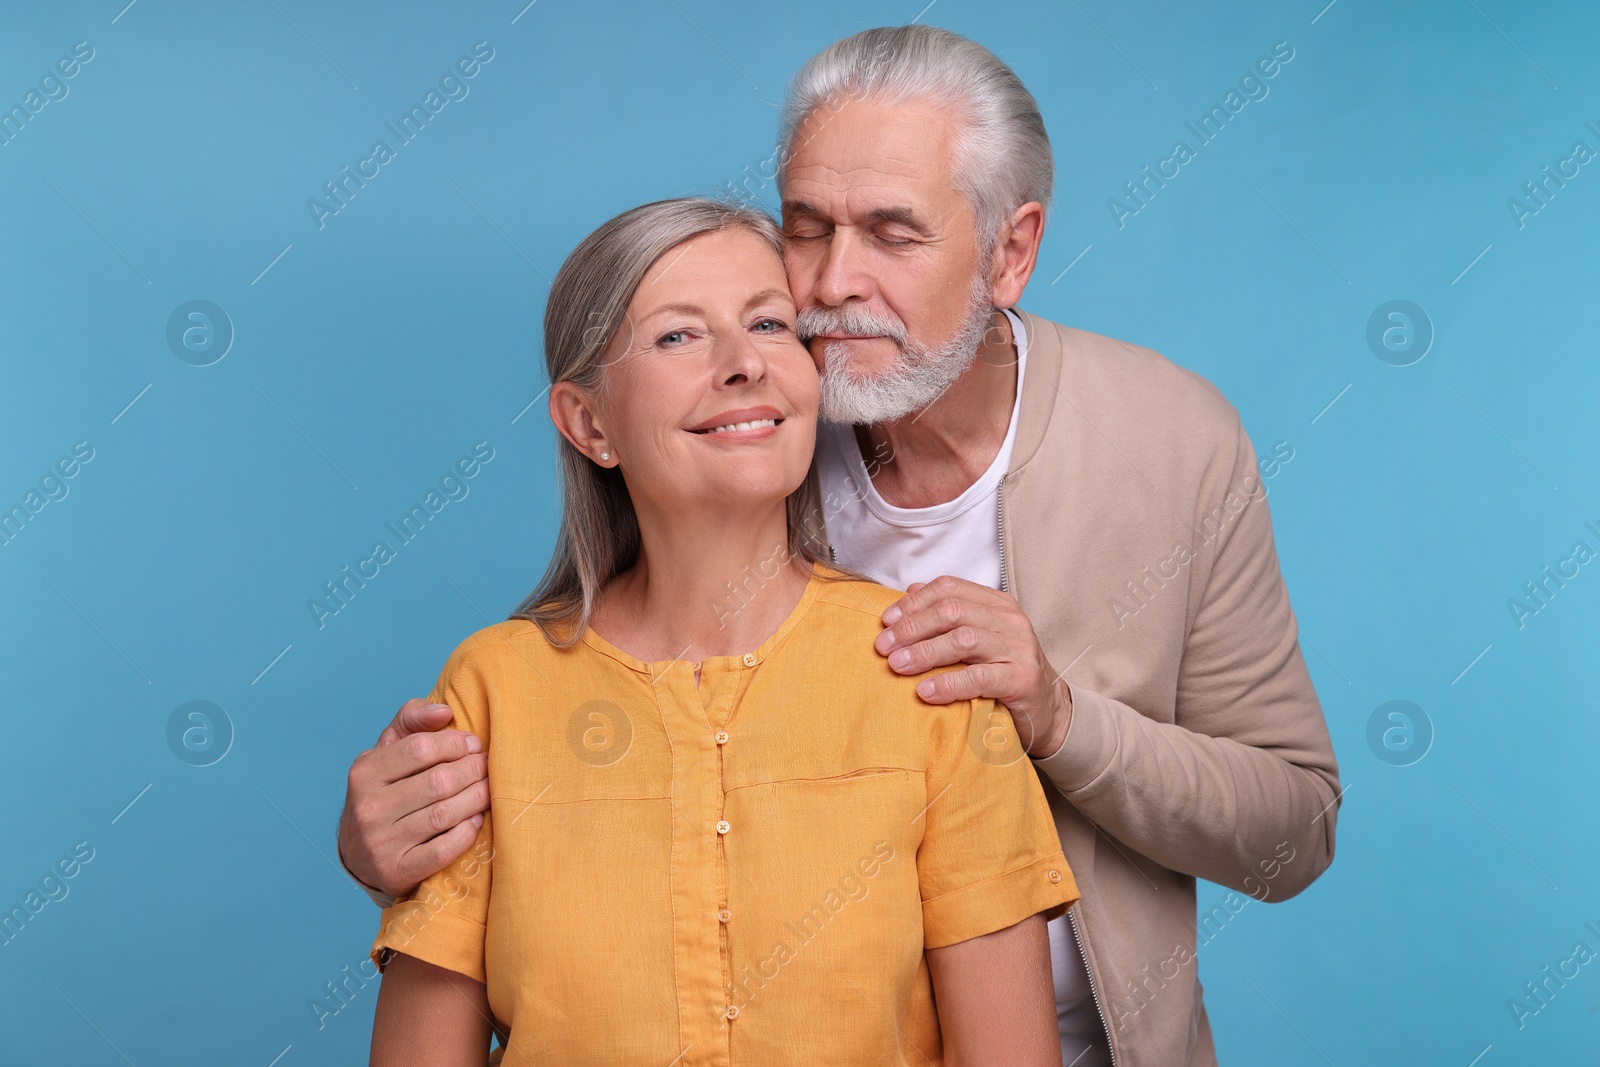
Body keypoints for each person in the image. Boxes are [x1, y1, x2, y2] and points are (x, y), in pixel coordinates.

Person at [342, 25, 1340, 1066]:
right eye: (806, 227)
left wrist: (1059, 716)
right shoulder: (753, 425)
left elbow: (1293, 831)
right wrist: (386, 843)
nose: (828, 286)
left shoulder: (1170, 441)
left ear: (1011, 250)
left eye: (892, 234)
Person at [366, 197, 1076, 1066]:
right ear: (590, 424)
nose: (744, 364)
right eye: (677, 336)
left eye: (770, 324)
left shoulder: (928, 678)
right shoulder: (490, 696)